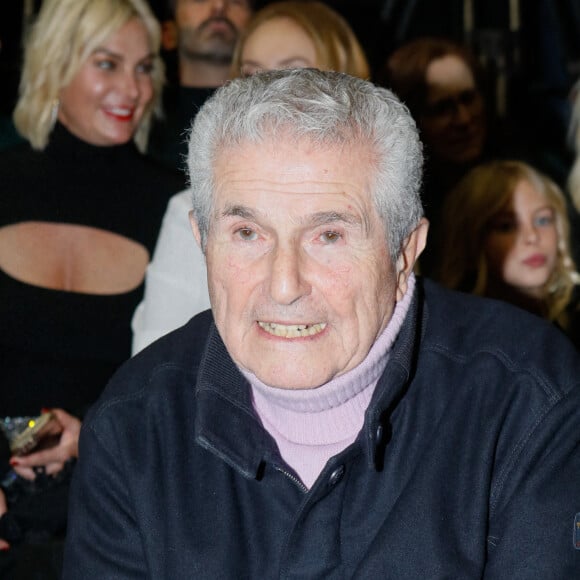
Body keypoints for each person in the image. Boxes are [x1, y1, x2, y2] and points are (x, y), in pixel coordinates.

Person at [64, 69, 580, 577]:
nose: (284, 284)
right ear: (201, 239)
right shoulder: (133, 425)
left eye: (328, 236)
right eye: (247, 233)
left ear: (406, 251)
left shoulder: (529, 400)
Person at [0, 0, 183, 575]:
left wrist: (95, 433)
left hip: (114, 504)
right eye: (107, 64)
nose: (131, 88)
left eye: (144, 67)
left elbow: (187, 376)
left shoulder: (177, 209)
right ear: (55, 65)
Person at [131, 0, 371, 354]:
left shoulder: (379, 205)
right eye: (252, 77)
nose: (267, 96)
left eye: (294, 76)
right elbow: (155, 369)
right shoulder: (195, 212)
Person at [436, 159, 580, 346]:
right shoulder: (458, 339)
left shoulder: (572, 319)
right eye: (506, 226)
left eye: (543, 220)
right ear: (471, 241)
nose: (532, 237)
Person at [147, 0, 253, 172]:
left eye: (237, 1)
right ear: (168, 33)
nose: (219, 5)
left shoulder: (276, 116)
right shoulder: (139, 121)